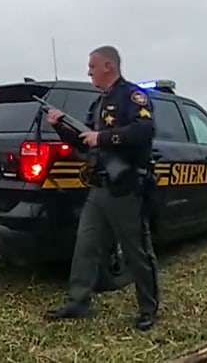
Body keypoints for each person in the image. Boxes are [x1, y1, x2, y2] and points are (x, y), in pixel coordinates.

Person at [43, 45, 160, 331]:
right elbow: (85, 142)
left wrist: (104, 137)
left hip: (126, 189)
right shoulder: (99, 104)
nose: (88, 71)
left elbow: (144, 131)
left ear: (108, 66)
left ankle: (148, 309)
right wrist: (60, 126)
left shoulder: (133, 96)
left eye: (92, 66)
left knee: (136, 252)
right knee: (85, 246)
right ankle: (78, 301)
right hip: (99, 189)